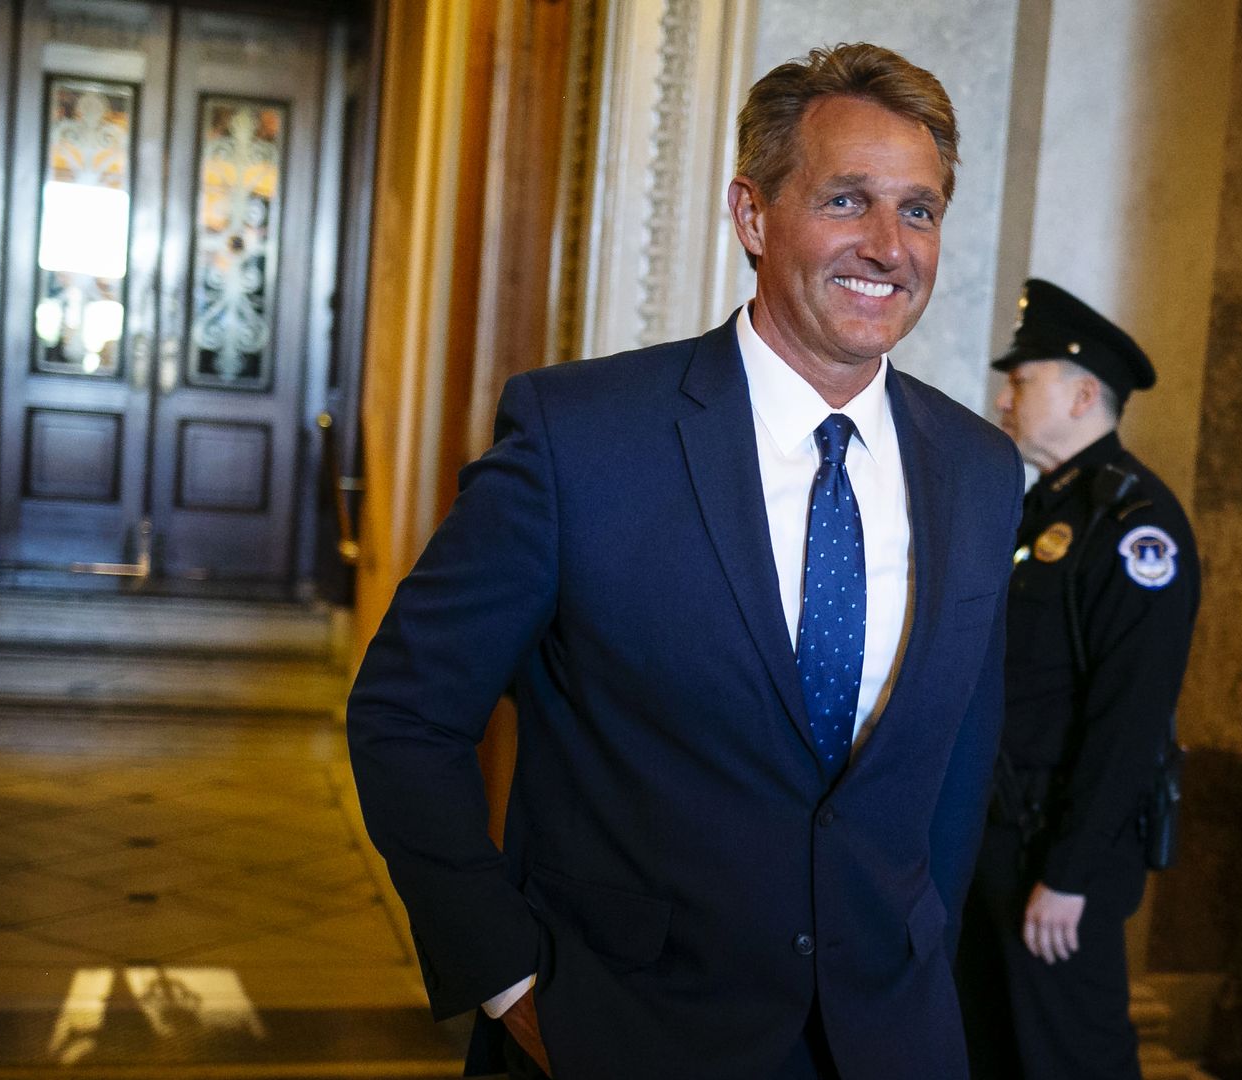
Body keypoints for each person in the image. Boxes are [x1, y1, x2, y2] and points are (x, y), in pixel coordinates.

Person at [347, 44, 1024, 1080]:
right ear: (752, 215)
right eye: (848, 201)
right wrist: (509, 982)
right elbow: (406, 714)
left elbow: (954, 775)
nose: (889, 246)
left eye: (919, 210)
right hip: (619, 1036)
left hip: (889, 1043)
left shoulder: (979, 471)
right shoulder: (581, 438)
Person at [956, 279, 1200, 1079]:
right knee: (989, 1050)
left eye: (1022, 381)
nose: (1003, 397)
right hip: (996, 836)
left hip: (1056, 855)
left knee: (1068, 1058)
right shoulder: (1046, 509)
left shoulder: (1137, 529)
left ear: (1084, 393)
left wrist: (1068, 873)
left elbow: (1129, 721)